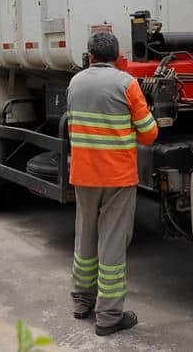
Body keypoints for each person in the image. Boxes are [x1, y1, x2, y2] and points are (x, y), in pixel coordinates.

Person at [67, 32, 159, 336]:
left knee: (85, 236)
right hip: (117, 177)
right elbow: (148, 134)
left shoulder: (75, 83)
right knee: (113, 243)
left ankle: (82, 301)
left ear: (90, 56)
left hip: (84, 174)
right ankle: (108, 316)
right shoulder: (126, 83)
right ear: (118, 56)